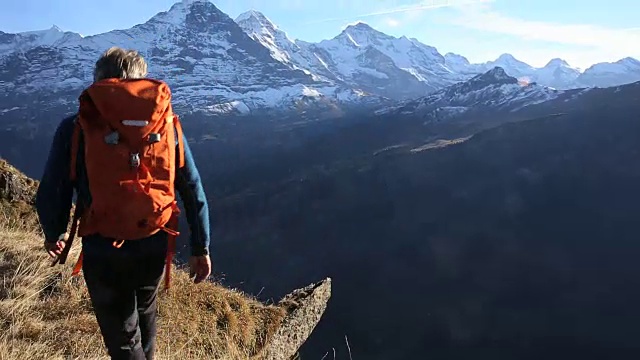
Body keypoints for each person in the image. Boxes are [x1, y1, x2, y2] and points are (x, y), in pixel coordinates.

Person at [35, 47, 212, 360]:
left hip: (103, 245)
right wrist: (201, 247)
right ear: (140, 82)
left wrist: (55, 231)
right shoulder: (165, 123)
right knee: (144, 312)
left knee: (121, 337)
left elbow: (55, 186)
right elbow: (191, 185)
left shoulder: (77, 125)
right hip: (154, 239)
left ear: (100, 79)